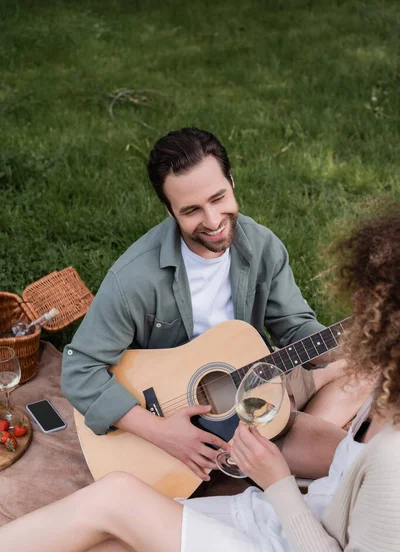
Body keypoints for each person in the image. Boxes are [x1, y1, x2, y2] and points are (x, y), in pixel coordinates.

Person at [2, 212, 400, 552]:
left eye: (366, 306)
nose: (355, 313)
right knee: (85, 550)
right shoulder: (386, 395)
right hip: (285, 527)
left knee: (117, 497)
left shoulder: (391, 461)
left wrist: (278, 483)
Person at [61, 127, 371, 481]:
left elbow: (298, 328)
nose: (212, 221)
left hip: (258, 398)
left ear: (232, 183)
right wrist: (161, 432)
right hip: (180, 429)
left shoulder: (262, 248)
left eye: (218, 198)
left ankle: (277, 436)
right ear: (169, 210)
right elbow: (78, 370)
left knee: (359, 463)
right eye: (191, 210)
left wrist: (348, 339)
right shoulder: (133, 279)